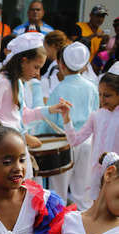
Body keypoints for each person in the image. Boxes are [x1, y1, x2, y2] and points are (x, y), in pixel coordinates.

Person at [0, 33, 67, 183]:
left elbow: (22, 115)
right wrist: (21, 135)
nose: (37, 73)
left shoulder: (17, 83)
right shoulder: (2, 82)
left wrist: (50, 109)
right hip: (2, 152)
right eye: (36, 67)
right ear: (23, 61)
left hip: (13, 148)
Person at [38, 43, 98, 208]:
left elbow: (49, 121)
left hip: (64, 142)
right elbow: (96, 115)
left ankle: (60, 228)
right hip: (87, 142)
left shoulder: (59, 89)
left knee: (59, 192)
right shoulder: (92, 88)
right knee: (82, 193)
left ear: (61, 65)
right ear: (85, 65)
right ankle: (83, 229)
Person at [60, 63, 119, 204]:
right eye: (100, 94)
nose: (102, 99)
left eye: (108, 95)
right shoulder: (96, 116)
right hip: (97, 177)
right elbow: (74, 140)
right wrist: (66, 118)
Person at [41, 30, 70, 99]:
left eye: (45, 47)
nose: (44, 50)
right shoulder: (54, 64)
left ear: (53, 46)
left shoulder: (56, 66)